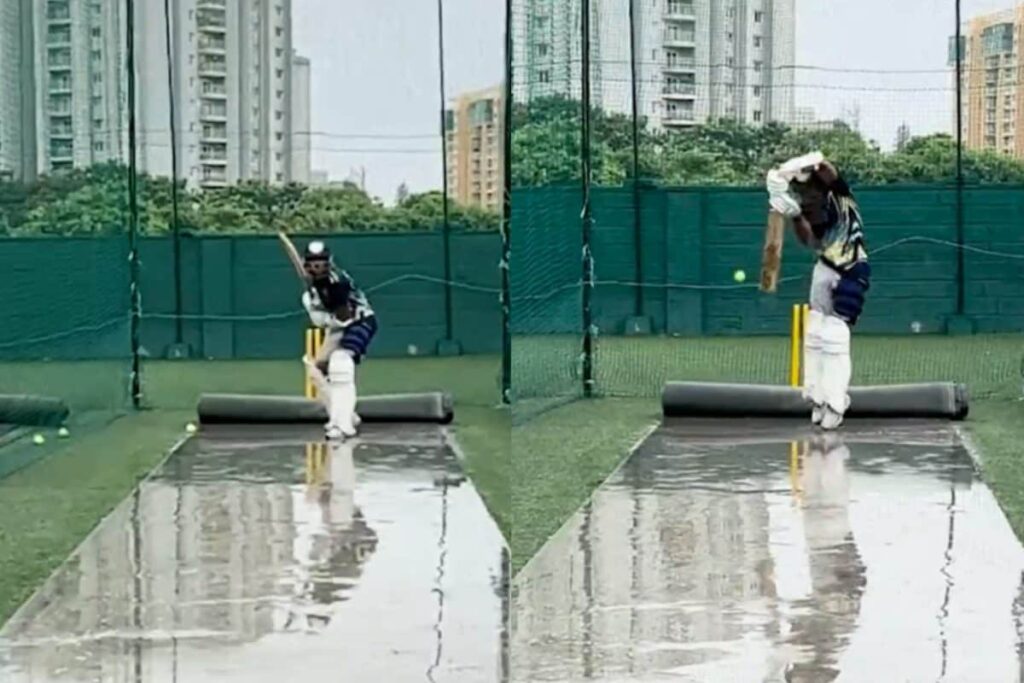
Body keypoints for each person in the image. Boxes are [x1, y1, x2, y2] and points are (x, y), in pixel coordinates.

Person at [765, 152, 871, 430]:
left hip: (851, 267)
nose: (806, 197)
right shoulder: (813, 212)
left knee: (835, 334)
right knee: (814, 331)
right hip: (824, 267)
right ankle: (818, 398)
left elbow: (825, 166)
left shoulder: (840, 195)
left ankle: (837, 402)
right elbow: (810, 241)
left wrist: (794, 167)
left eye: (808, 192)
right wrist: (794, 215)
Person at [278, 232, 378, 439]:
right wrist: (316, 308)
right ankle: (345, 415)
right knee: (315, 368)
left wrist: (323, 318)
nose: (317, 268)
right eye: (313, 264)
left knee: (340, 361)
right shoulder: (314, 289)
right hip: (337, 327)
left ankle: (342, 427)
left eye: (321, 264)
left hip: (360, 321)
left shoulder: (336, 284)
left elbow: (344, 318)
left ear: (329, 263)